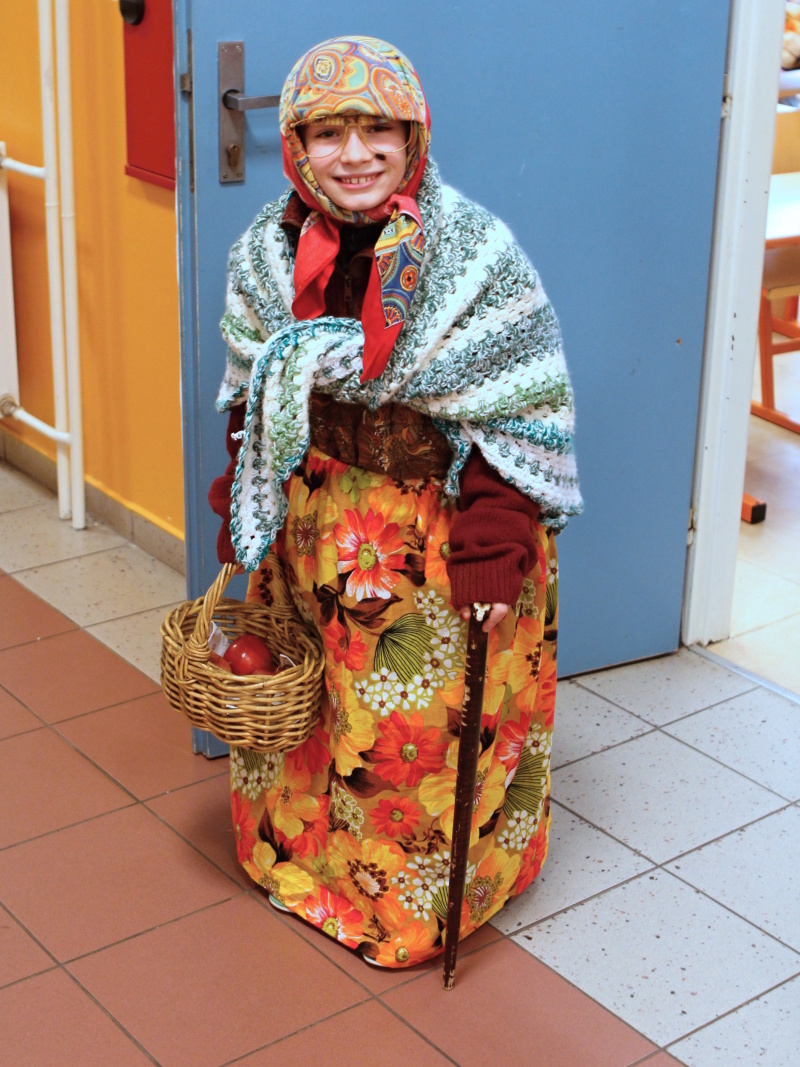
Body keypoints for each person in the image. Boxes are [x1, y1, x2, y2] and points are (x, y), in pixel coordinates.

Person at [208, 36, 582, 967]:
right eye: (327, 131)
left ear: (414, 136)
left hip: (440, 543)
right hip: (315, 529)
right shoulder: (266, 252)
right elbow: (257, 396)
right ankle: (307, 864)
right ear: (296, 144)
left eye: (378, 128)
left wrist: (495, 544)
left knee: (409, 740)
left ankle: (409, 907)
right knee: (316, 712)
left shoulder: (474, 253)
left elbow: (519, 410)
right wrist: (239, 495)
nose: (355, 153)